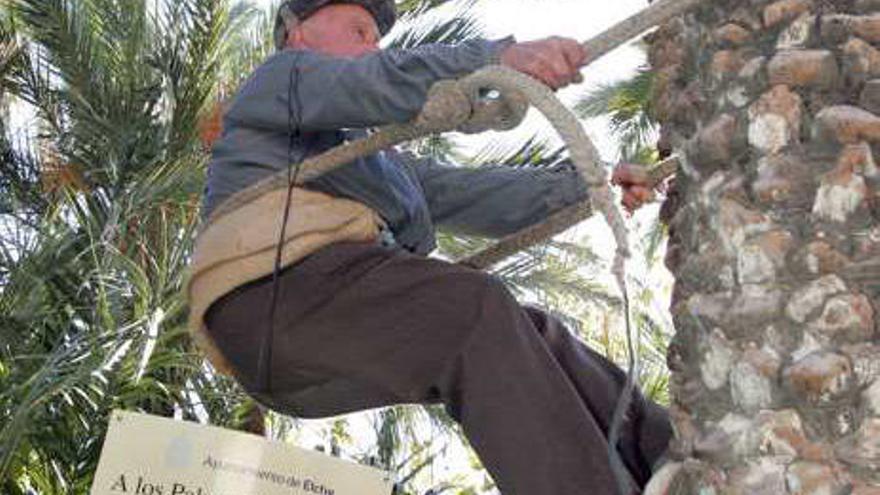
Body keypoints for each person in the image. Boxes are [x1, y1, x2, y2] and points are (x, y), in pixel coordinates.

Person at [186, 0, 672, 493]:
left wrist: (591, 186)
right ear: (297, 33)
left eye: (376, 37)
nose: (372, 45)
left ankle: (671, 460)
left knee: (529, 329)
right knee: (475, 309)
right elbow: (373, 81)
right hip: (276, 293)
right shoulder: (283, 75)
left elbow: (465, 191)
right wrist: (494, 60)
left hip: (302, 346)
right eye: (358, 28)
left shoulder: (379, 163)